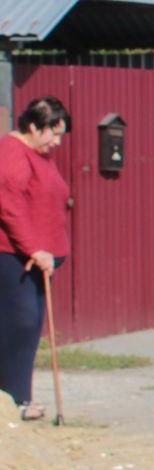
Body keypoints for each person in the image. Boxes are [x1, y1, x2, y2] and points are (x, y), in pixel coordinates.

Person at [0, 97, 70, 421]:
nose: (57, 142)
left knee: (30, 325)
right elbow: (9, 205)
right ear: (32, 126)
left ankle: (19, 398)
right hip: (13, 254)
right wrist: (34, 248)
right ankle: (14, 401)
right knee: (20, 322)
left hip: (39, 257)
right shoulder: (12, 153)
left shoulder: (40, 155)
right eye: (53, 134)